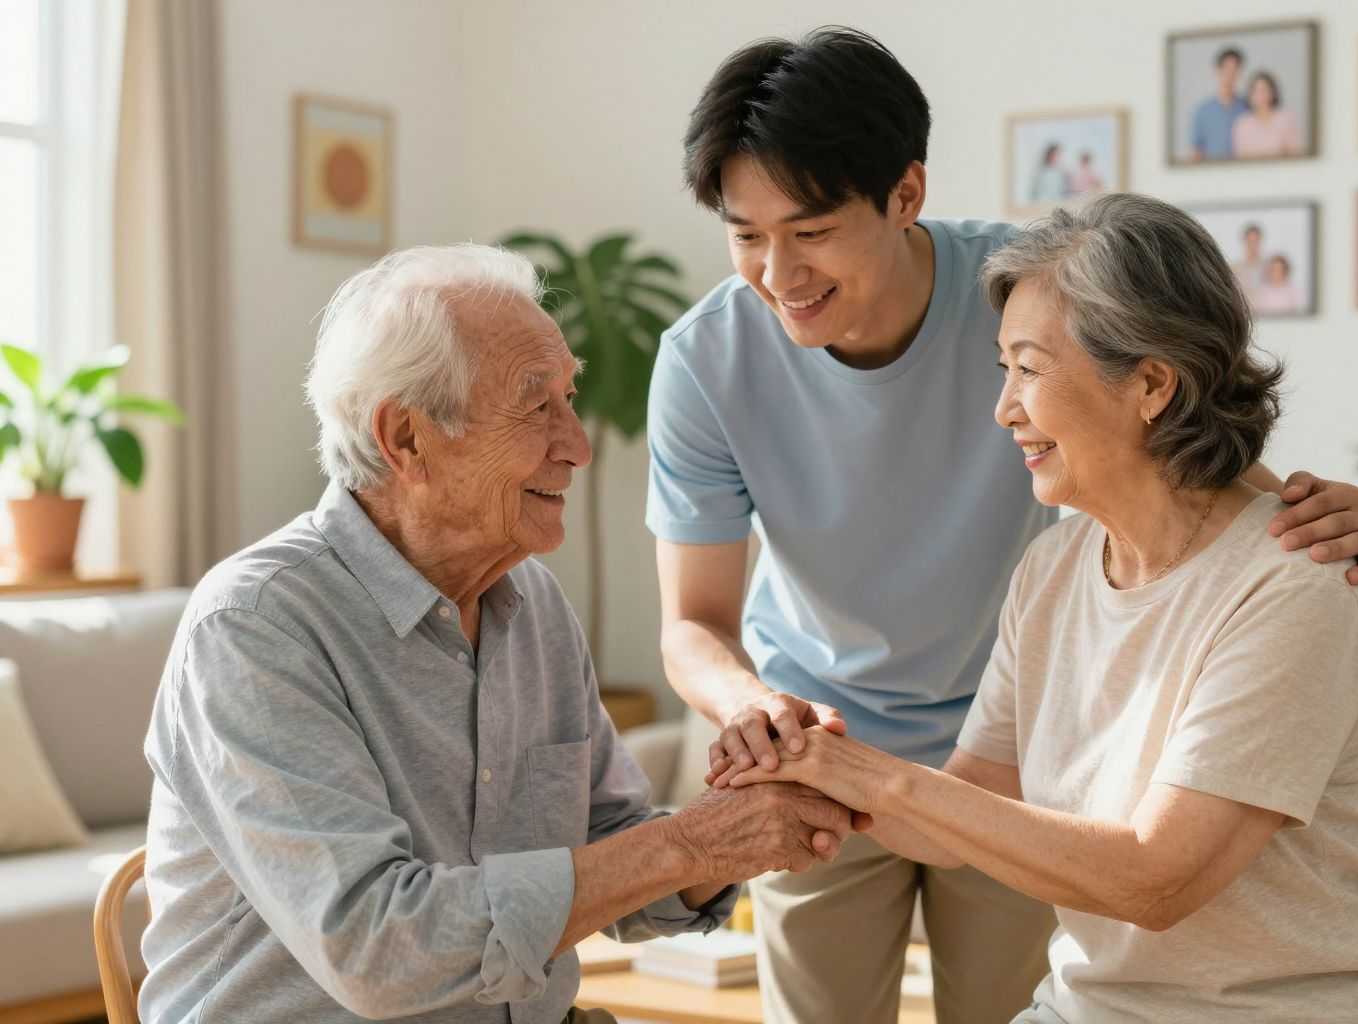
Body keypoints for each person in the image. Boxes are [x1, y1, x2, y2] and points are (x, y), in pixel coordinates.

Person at [651, 27, 1358, 1024]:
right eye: (746, 233)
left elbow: (1166, 410)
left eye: (811, 229)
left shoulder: (1029, 288)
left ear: (905, 194)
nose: (778, 271)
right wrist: (764, 718)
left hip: (1026, 772)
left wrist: (1287, 510)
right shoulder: (705, 362)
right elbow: (694, 620)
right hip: (830, 738)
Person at [139, 245, 860, 1024]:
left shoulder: (532, 605)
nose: (578, 445)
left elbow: (612, 842)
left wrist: (741, 816)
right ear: (406, 438)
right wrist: (692, 845)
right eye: (535, 405)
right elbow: (379, 950)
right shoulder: (257, 627)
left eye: (568, 397)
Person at [1189, 47, 1247, 160]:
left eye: (1234, 71)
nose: (1230, 76)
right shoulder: (1202, 111)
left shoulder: (1247, 107)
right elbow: (1195, 152)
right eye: (1226, 70)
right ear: (1217, 71)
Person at [1231, 70, 1301, 157]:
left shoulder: (1285, 118)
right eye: (1256, 90)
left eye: (1264, 90)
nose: (1260, 95)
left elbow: (1294, 153)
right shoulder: (1242, 124)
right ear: (1250, 95)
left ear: (1273, 92)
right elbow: (1240, 158)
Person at [1231, 222, 1266, 298]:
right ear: (1244, 242)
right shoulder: (1235, 268)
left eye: (1255, 241)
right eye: (1250, 241)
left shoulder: (1269, 266)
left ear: (1260, 242)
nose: (1253, 245)